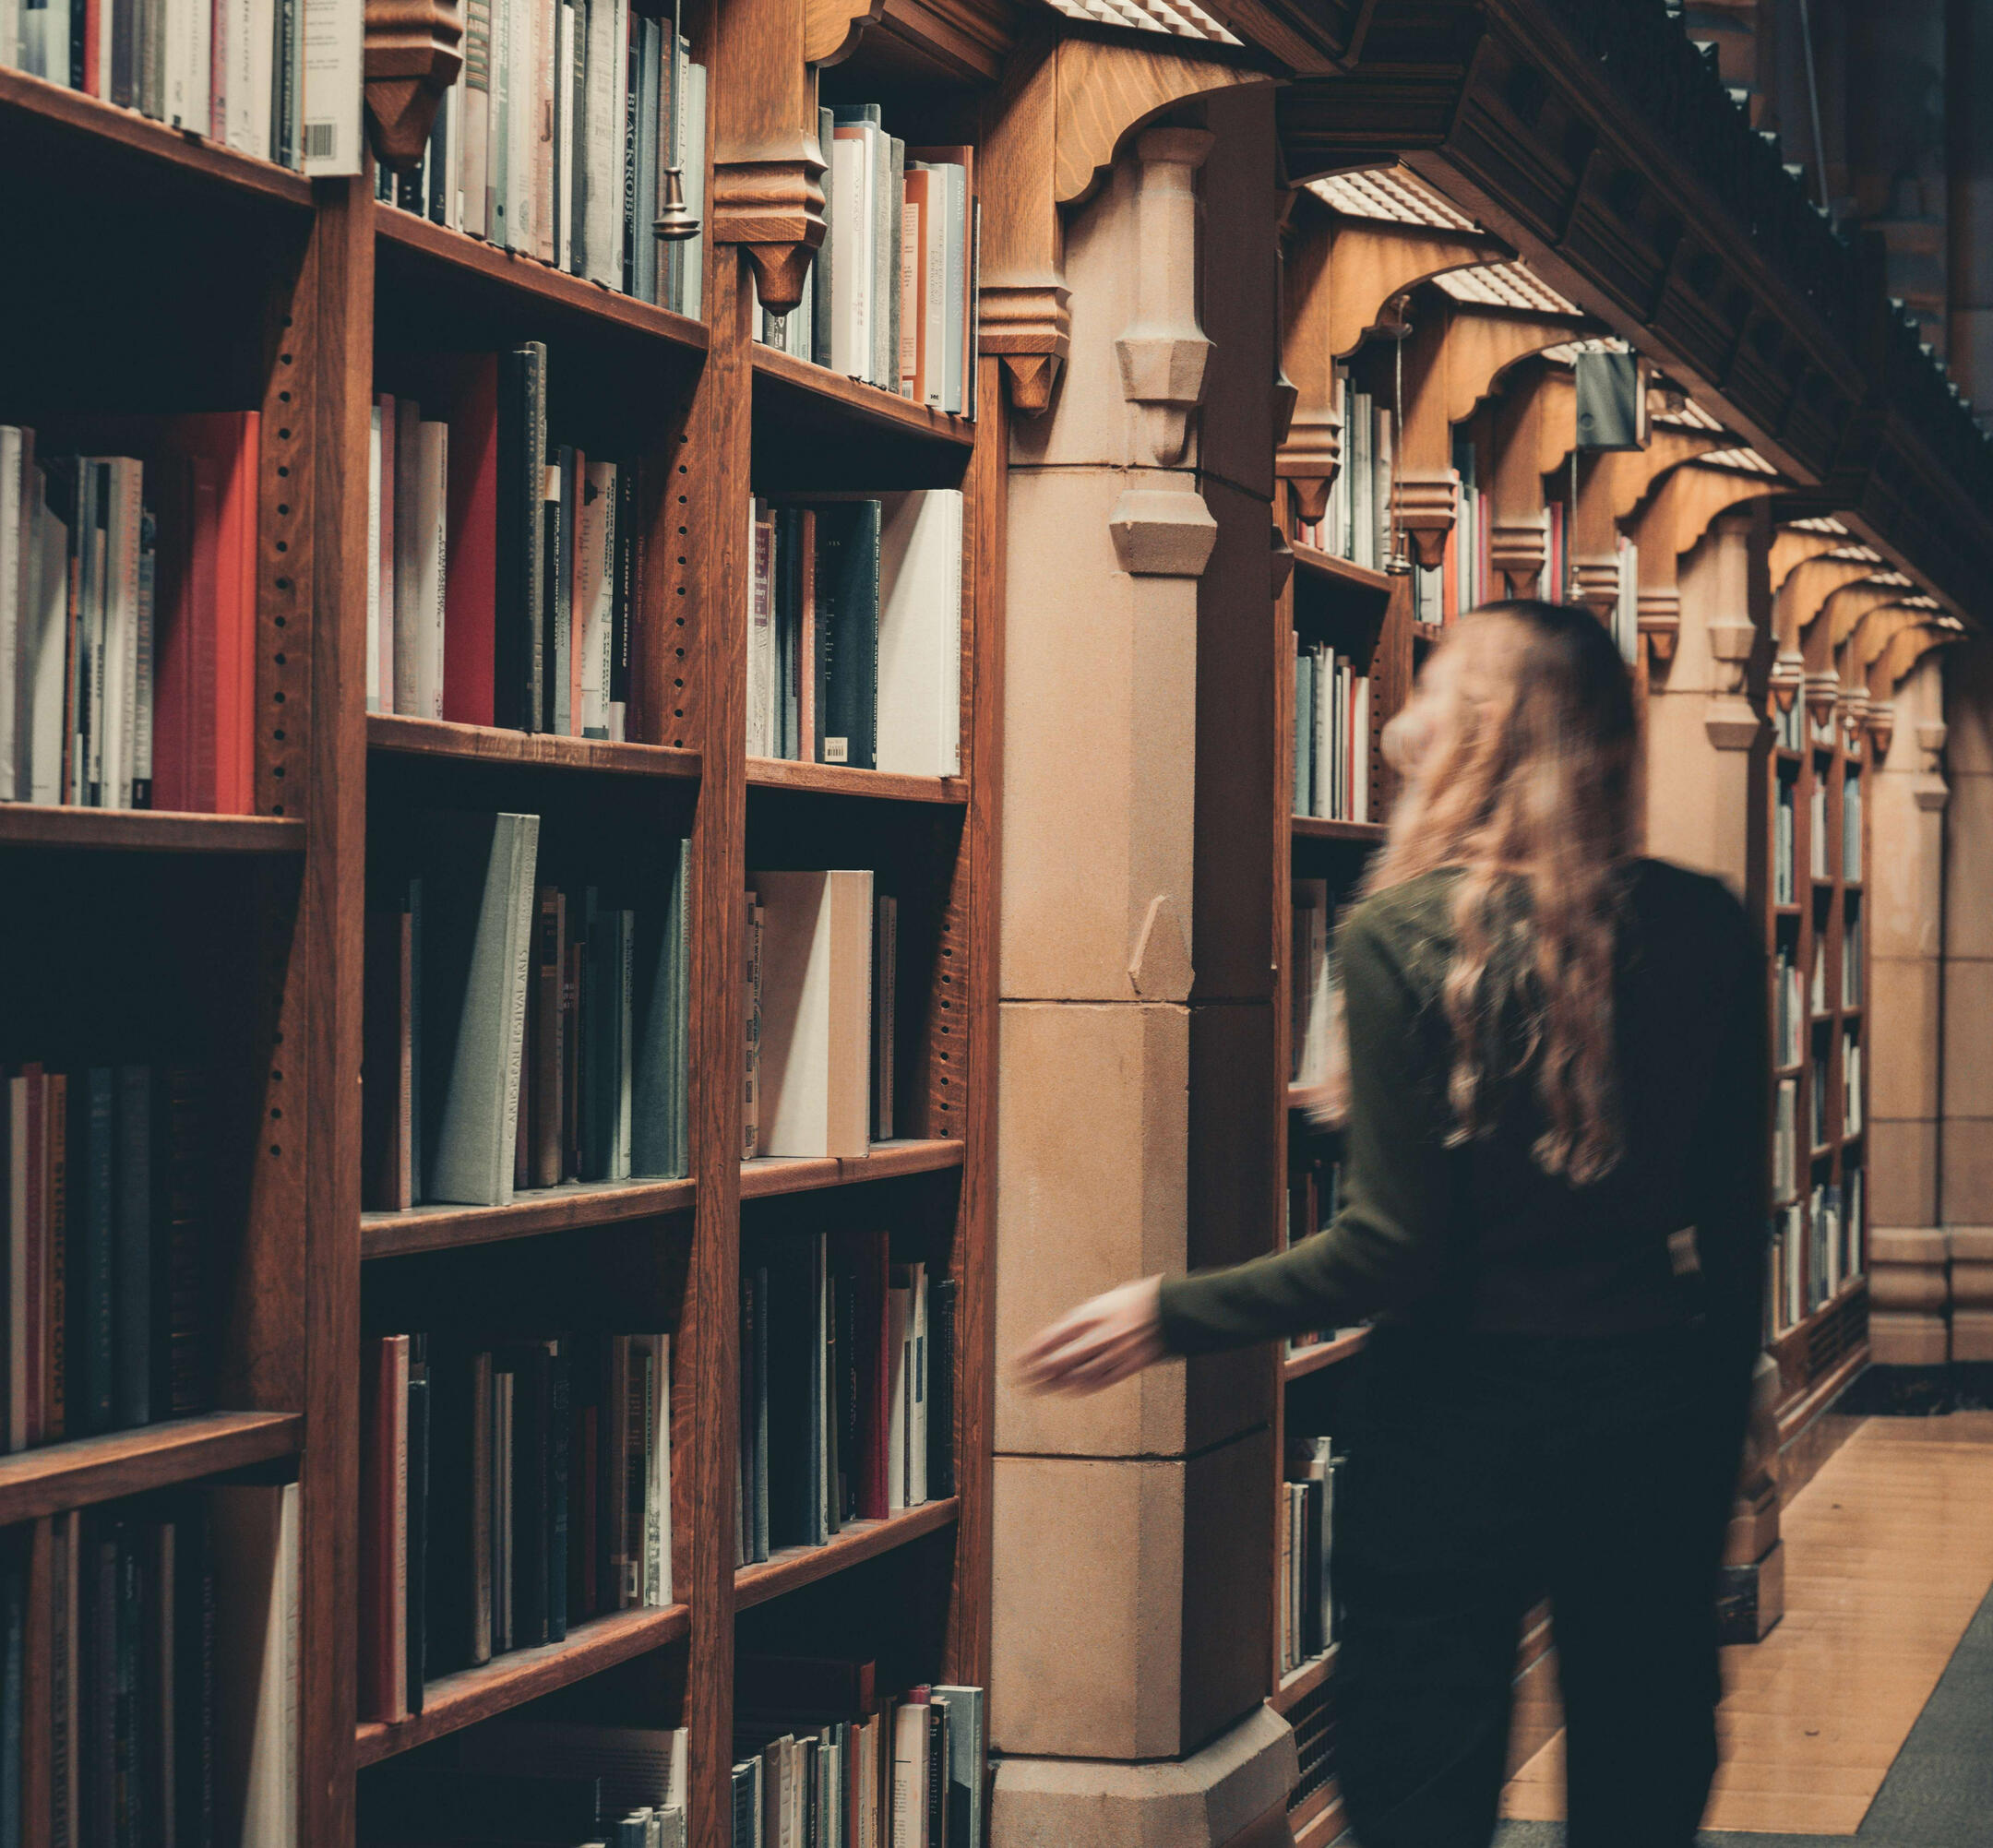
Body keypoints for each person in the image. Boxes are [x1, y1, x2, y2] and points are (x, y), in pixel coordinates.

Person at [1015, 601, 1767, 1848]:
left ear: (1482, 729)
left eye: (1429, 690)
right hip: (1654, 1408)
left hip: (1451, 1415)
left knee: (1420, 1767)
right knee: (1646, 1750)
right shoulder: (1703, 925)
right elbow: (1739, 1225)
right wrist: (1725, 1411)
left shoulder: (1404, 934)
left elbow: (1389, 1250)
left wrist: (1165, 1311)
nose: (1395, 721)